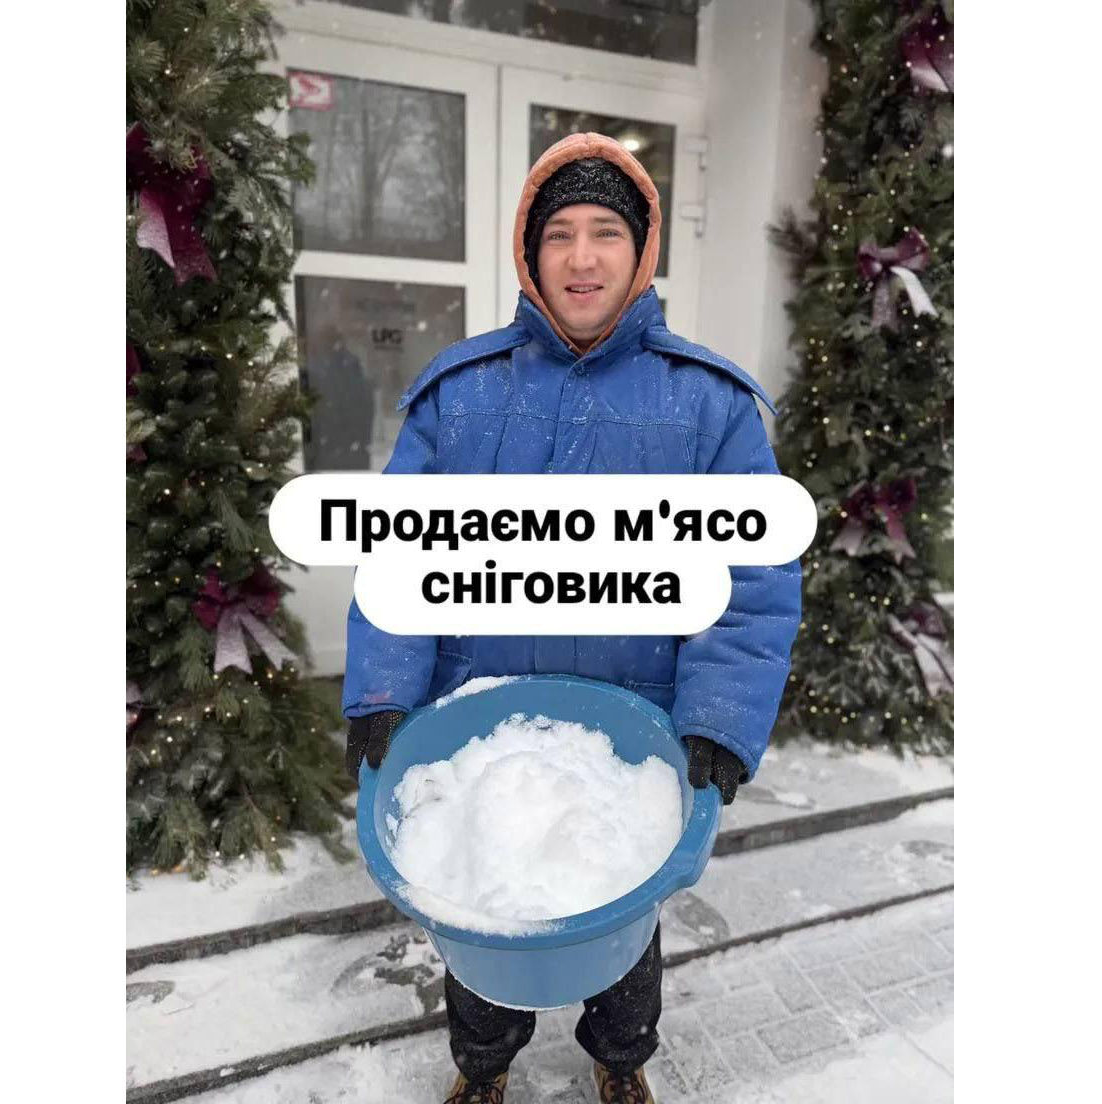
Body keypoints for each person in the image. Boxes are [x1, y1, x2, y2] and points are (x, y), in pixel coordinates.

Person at [341, 132, 803, 1104]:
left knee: (622, 940)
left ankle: (621, 1060)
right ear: (528, 250)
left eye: (605, 232)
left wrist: (718, 718)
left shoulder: (710, 405)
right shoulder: (460, 394)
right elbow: (400, 557)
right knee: (483, 925)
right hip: (484, 730)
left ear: (642, 251)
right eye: (559, 234)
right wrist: (383, 691)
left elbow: (752, 574)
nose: (582, 257)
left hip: (632, 744)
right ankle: (484, 1067)